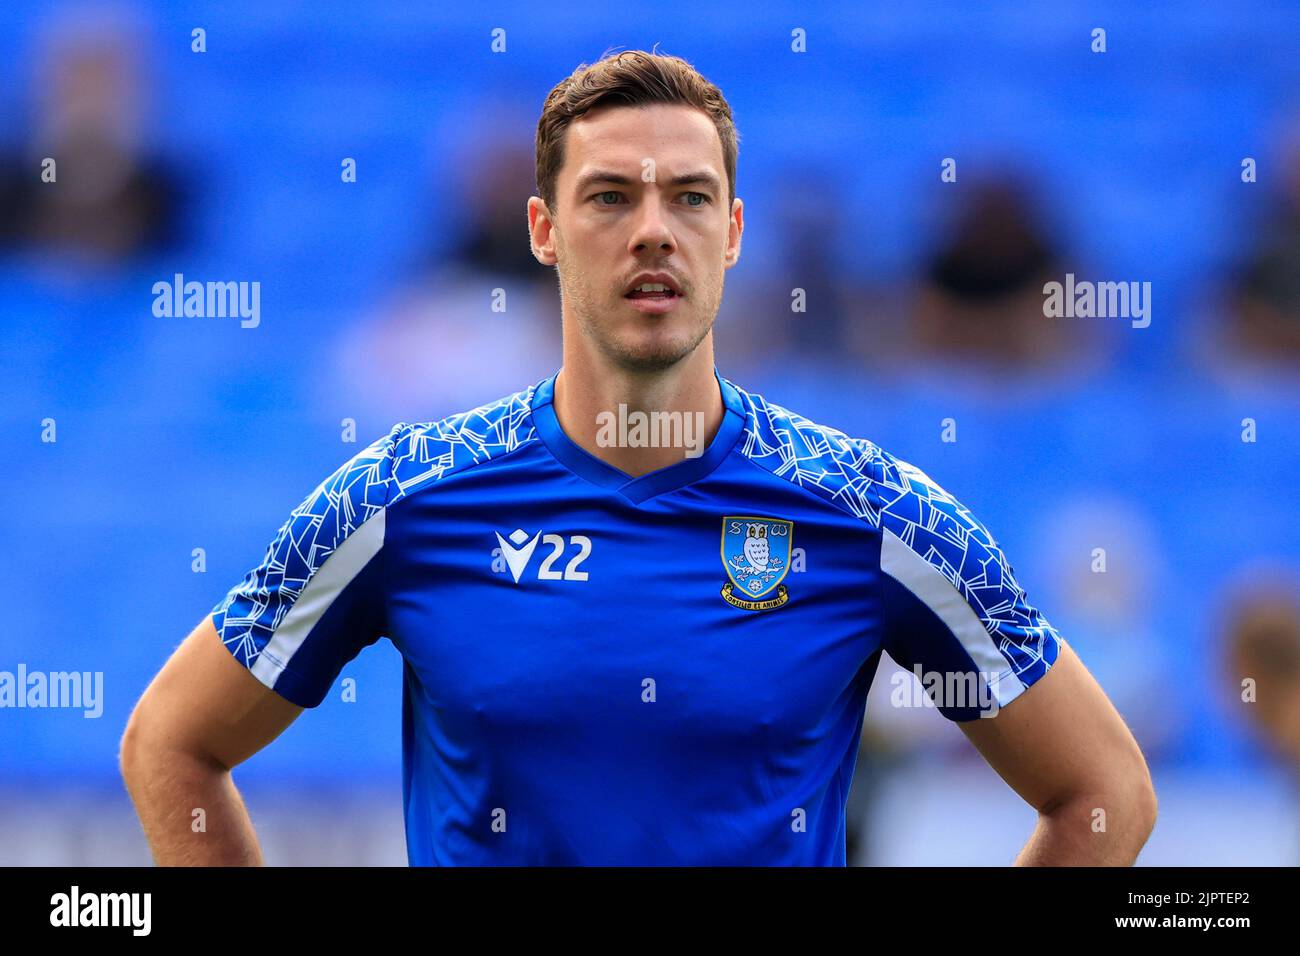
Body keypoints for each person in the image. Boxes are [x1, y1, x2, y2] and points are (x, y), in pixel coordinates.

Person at [120, 49, 1156, 866]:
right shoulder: (404, 498)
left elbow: (1104, 791)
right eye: (611, 196)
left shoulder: (873, 512)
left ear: (736, 230)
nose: (653, 232)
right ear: (544, 229)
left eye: (691, 198)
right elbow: (172, 739)